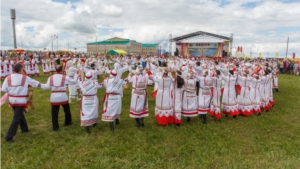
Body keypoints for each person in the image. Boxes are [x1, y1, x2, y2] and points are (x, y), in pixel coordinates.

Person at [1, 63, 41, 142]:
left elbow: (4, 89)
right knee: (16, 118)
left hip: (12, 100)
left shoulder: (8, 77)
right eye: (22, 69)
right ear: (20, 70)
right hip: (20, 100)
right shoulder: (24, 77)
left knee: (19, 114)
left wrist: (12, 90)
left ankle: (24, 128)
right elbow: (35, 82)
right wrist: (43, 85)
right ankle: (9, 137)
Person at [41, 65, 78, 131]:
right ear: (62, 70)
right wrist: (76, 74)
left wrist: (39, 84)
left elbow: (46, 87)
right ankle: (68, 122)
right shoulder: (64, 77)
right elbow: (74, 81)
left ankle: (55, 127)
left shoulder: (51, 77)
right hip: (63, 96)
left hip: (54, 97)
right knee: (66, 109)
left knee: (54, 112)